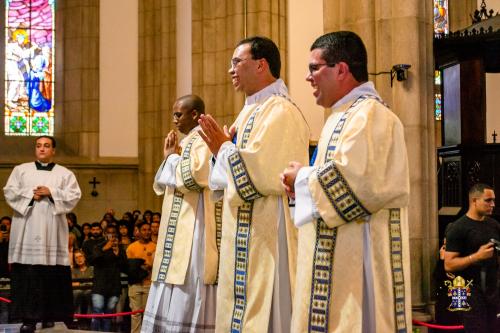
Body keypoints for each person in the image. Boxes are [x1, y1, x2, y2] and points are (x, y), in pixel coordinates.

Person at [280, 31, 412, 332]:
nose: (308, 77)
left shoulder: (370, 115)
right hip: (337, 258)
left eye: (314, 68)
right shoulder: (343, 116)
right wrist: (300, 185)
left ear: (341, 69)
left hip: (359, 263)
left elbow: (357, 186)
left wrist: (302, 177)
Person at [198, 36, 310, 332]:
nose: (230, 69)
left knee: (268, 311)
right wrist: (219, 153)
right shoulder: (249, 111)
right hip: (245, 228)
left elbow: (264, 172)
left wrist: (224, 149)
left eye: (237, 62)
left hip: (270, 231)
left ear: (261, 65)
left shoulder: (280, 110)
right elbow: (226, 176)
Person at [142, 94, 222, 333]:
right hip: (177, 227)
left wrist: (171, 158)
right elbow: (163, 182)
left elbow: (195, 176)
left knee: (191, 276)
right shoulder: (187, 141)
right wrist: (172, 158)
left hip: (196, 225)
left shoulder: (204, 139)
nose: (174, 119)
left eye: (178, 114)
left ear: (195, 114)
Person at [3, 136, 82, 332]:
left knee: (51, 275)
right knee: (28, 275)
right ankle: (28, 319)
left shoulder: (65, 174)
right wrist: (32, 194)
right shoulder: (20, 170)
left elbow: (74, 196)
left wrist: (51, 191)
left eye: (46, 146)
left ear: (53, 150)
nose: (42, 149)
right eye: (38, 146)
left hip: (52, 232)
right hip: (26, 230)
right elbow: (9, 192)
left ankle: (50, 317)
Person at [444, 183, 500, 333]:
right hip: (467, 292)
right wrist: (476, 257)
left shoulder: (494, 225)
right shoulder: (458, 228)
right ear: (474, 201)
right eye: (488, 200)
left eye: (493, 200)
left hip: (492, 290)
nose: (492, 204)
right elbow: (448, 265)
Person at [90, 225, 128, 332]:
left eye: (114, 233)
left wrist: (117, 255)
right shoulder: (98, 247)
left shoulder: (120, 249)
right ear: (104, 234)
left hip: (114, 287)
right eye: (109, 233)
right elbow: (92, 261)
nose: (111, 235)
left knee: (108, 315)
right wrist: (104, 249)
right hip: (99, 286)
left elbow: (125, 267)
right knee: (97, 312)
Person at [126, 222, 156, 333]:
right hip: (135, 284)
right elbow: (129, 266)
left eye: (149, 229)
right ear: (138, 231)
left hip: (150, 285)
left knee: (148, 314)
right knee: (135, 313)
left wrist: (151, 265)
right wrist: (141, 267)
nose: (147, 232)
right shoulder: (131, 247)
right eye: (144, 229)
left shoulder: (155, 246)